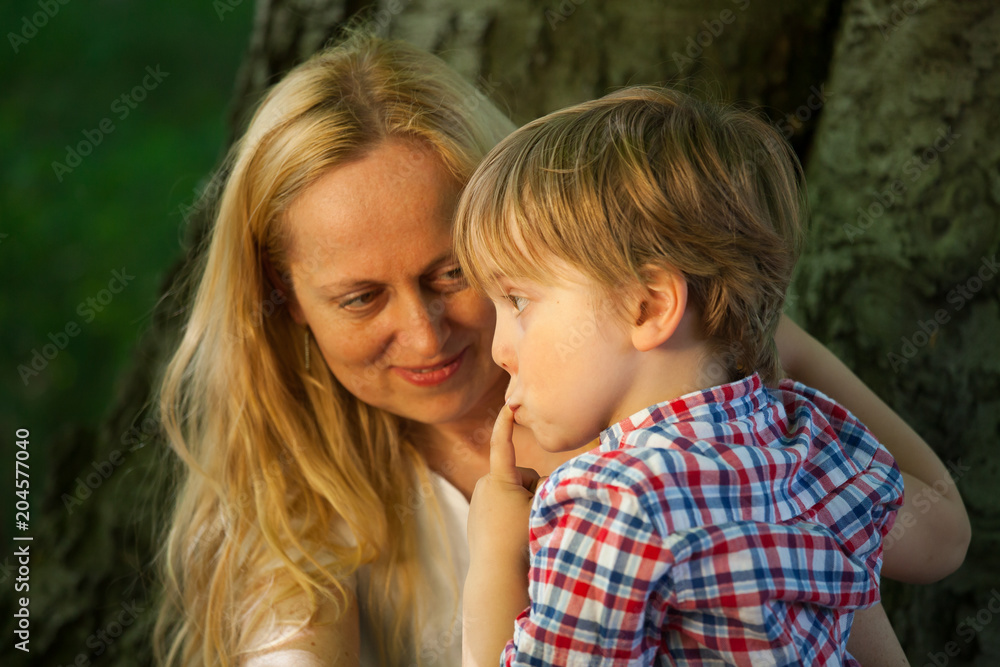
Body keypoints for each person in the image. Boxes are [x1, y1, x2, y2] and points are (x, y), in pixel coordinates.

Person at [154, 30, 968, 667]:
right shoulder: (299, 500)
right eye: (361, 297)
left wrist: (756, 343)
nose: (428, 332)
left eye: (460, 275)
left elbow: (927, 536)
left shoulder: (655, 442)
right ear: (283, 301)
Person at [453, 85, 922, 665]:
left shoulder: (607, 503)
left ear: (648, 307)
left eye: (518, 301)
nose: (499, 348)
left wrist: (496, 556)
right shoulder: (811, 434)